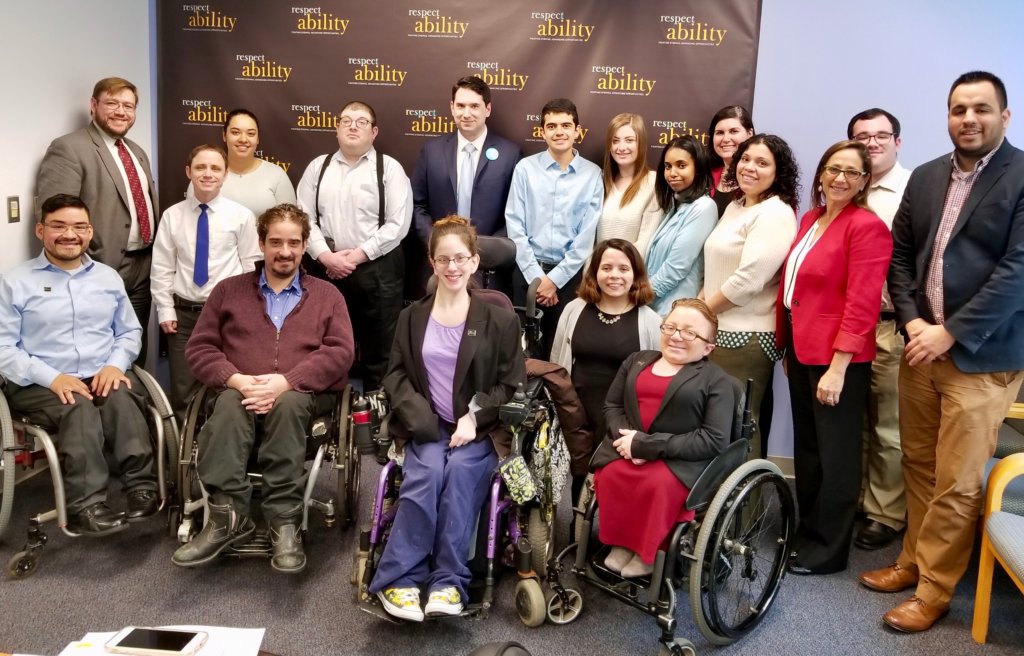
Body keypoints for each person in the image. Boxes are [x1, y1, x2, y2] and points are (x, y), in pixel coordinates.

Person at [860, 71, 1024, 633]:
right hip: (920, 350)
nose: (968, 118)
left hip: (981, 357)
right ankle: (913, 562)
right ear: (947, 115)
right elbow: (901, 257)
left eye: (982, 108)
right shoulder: (928, 176)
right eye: (958, 109)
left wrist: (949, 331)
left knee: (958, 481)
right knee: (920, 465)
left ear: (1005, 115)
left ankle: (934, 591)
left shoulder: (1022, 175)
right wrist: (912, 325)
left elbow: (1017, 272)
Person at [171, 204, 354, 574]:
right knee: (227, 404)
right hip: (240, 388)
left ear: (304, 247)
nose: (284, 251)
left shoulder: (327, 296)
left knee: (287, 405)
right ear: (261, 243)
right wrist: (237, 380)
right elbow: (201, 347)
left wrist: (287, 381)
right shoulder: (228, 292)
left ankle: (284, 521)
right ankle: (226, 516)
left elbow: (341, 351)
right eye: (275, 242)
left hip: (302, 394)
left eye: (293, 243)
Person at [369, 216, 525, 622]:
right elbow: (396, 374)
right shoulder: (412, 317)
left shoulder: (500, 320)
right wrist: (418, 416)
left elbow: (511, 384)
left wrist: (474, 416)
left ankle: (448, 583)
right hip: (427, 422)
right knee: (425, 478)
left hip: (480, 429)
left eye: (460, 258)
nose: (452, 267)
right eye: (443, 259)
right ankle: (400, 580)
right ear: (432, 263)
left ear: (475, 262)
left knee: (459, 476)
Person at [0, 194, 157, 536]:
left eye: (79, 226)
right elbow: (3, 348)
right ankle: (87, 504)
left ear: (90, 232)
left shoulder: (107, 277)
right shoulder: (14, 282)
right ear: (41, 230)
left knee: (123, 396)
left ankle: (141, 487)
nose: (69, 234)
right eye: (59, 226)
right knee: (79, 406)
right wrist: (53, 378)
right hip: (38, 382)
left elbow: (130, 330)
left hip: (101, 371)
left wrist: (116, 365)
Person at [776, 140, 892, 576]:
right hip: (804, 352)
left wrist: (839, 367)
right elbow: (797, 291)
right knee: (809, 451)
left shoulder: (866, 227)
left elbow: (862, 304)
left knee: (836, 456)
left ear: (864, 181)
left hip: (838, 361)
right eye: (833, 169)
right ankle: (809, 532)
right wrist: (788, 346)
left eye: (852, 172)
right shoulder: (811, 219)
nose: (840, 178)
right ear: (821, 173)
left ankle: (829, 551)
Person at [590, 298, 735, 577]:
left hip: (680, 460)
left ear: (708, 347)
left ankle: (650, 554)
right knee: (611, 474)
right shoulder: (636, 360)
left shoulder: (717, 381)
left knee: (657, 485)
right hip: (626, 449)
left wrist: (646, 446)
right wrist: (628, 444)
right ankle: (622, 542)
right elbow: (612, 407)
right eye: (671, 326)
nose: (676, 336)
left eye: (689, 332)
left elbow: (714, 439)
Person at [37, 77, 158, 364]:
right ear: (93, 105)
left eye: (128, 106)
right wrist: (82, 263)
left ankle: (133, 404)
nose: (121, 111)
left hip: (143, 265)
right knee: (95, 348)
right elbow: (55, 215)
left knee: (132, 344)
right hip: (95, 267)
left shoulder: (135, 151)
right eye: (112, 103)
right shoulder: (69, 148)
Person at [296, 100, 412, 390]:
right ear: (336, 129)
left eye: (361, 121)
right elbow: (304, 218)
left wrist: (356, 257)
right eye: (346, 120)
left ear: (374, 132)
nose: (352, 125)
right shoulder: (317, 168)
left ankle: (377, 419)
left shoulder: (390, 169)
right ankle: (326, 414)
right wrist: (325, 257)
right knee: (324, 347)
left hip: (378, 271)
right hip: (325, 271)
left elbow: (398, 225)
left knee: (380, 353)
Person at [700, 134, 798, 461]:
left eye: (762, 162)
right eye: (745, 159)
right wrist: (701, 313)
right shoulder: (736, 207)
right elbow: (715, 270)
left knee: (741, 424)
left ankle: (745, 509)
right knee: (719, 423)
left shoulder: (775, 213)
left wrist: (701, 312)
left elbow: (748, 281)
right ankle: (718, 503)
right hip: (718, 328)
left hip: (746, 336)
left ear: (778, 171)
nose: (750, 168)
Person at [151, 144, 261, 420]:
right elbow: (163, 267)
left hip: (227, 315)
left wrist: (251, 310)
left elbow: (252, 266)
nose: (207, 174)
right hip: (184, 317)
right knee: (183, 391)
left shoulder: (241, 216)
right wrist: (165, 309)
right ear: (189, 171)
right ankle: (187, 456)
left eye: (215, 168)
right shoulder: (172, 216)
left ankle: (223, 445)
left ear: (225, 175)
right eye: (200, 167)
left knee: (228, 386)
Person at [550, 238, 661, 503]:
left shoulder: (650, 321)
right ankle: (577, 536)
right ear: (595, 272)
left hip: (621, 418)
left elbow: (654, 381)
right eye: (606, 267)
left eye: (623, 269)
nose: (614, 275)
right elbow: (558, 364)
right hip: (576, 412)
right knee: (579, 479)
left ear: (635, 275)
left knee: (612, 484)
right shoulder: (573, 310)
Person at [847, 108, 912, 551]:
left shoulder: (915, 190)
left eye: (880, 135)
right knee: (856, 421)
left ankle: (886, 513)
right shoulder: (847, 188)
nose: (871, 143)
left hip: (891, 326)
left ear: (897, 142)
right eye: (861, 136)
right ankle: (861, 499)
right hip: (850, 327)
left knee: (888, 426)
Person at [505, 98, 603, 356]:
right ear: (542, 131)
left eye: (566, 125)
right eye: (552, 126)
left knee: (561, 348)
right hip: (527, 272)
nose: (559, 132)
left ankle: (553, 397)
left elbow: (586, 237)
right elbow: (515, 225)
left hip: (569, 280)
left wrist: (555, 281)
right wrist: (538, 279)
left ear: (577, 131)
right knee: (523, 349)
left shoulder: (593, 175)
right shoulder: (525, 169)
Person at [410, 76, 522, 295]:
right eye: (460, 105)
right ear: (452, 108)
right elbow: (416, 205)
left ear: (487, 109)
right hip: (440, 266)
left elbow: (516, 214)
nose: (466, 113)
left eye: (474, 106)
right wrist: (437, 242)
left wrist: (483, 250)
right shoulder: (431, 151)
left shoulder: (510, 154)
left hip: (488, 269)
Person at [645, 136, 719, 316]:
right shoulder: (674, 205)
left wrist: (640, 297)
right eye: (668, 166)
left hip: (675, 313)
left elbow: (676, 267)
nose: (672, 173)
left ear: (698, 169)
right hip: (655, 309)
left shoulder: (704, 207)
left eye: (681, 165)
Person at [186, 109, 296, 216]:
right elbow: (193, 219)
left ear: (258, 139)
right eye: (235, 132)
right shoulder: (205, 177)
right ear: (224, 135)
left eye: (251, 134)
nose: (243, 139)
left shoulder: (276, 175)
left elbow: (291, 222)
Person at [594, 113, 660, 254]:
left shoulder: (653, 183)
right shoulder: (600, 180)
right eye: (615, 141)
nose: (621, 147)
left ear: (640, 143)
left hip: (631, 272)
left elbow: (645, 243)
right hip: (597, 271)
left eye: (629, 140)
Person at [707, 106, 755, 218]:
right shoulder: (706, 174)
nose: (726, 139)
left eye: (733, 131)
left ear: (749, 133)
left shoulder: (759, 177)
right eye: (719, 133)